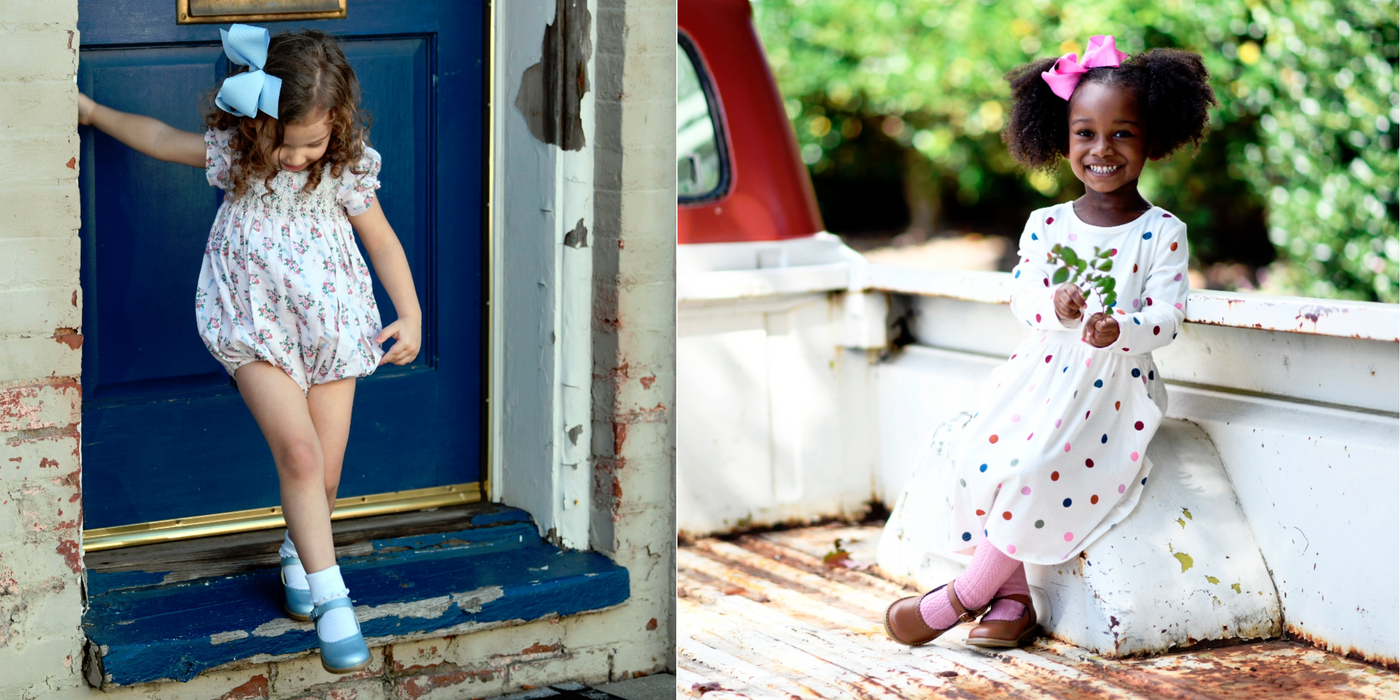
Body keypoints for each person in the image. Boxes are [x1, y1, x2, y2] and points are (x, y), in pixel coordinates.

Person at [78, 25, 421, 673]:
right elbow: (157, 138)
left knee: (323, 473)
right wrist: (94, 112)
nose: (296, 158)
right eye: (285, 143)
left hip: (333, 326)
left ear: (338, 125)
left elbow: (382, 240)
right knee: (297, 454)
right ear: (259, 126)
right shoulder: (237, 155)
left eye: (312, 143)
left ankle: (299, 555)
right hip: (254, 324)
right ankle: (333, 601)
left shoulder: (344, 168)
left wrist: (411, 311)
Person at [883, 35, 1216, 648]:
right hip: (1038, 375)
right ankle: (1013, 602)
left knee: (1037, 467)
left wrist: (1122, 329)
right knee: (978, 450)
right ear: (1061, 140)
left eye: (1123, 133)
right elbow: (1022, 296)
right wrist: (1055, 307)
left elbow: (1169, 317)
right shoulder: (1047, 225)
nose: (1102, 149)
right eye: (1085, 133)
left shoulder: (1162, 232)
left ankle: (966, 596)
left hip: (1112, 391)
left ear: (1153, 139)